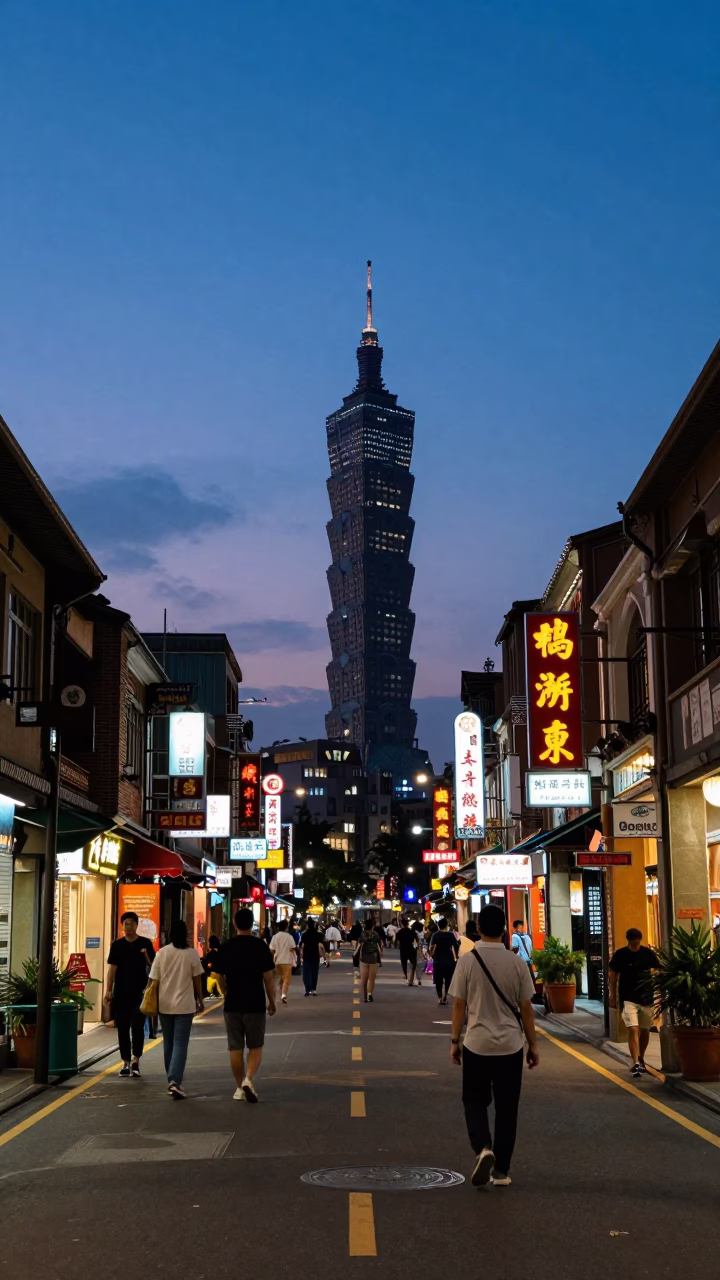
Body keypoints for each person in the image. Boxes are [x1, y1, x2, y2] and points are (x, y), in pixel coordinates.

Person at [450, 903, 539, 1188]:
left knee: (474, 1100)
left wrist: (455, 1041)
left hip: (476, 1044)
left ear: (478, 929)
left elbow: (459, 1006)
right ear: (505, 930)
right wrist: (533, 1045)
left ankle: (483, 1147)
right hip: (510, 1046)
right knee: (507, 1107)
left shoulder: (467, 961)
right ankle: (501, 1170)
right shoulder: (517, 963)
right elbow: (527, 1008)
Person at [214, 907, 276, 1102]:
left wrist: (225, 992)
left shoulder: (226, 946)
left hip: (232, 1004)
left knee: (235, 1047)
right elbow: (268, 977)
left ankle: (239, 1087)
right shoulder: (260, 946)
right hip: (255, 1003)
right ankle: (249, 1079)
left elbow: (218, 976)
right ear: (252, 923)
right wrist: (272, 1001)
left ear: (234, 924)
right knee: (255, 1045)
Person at [146, 920, 204, 1099]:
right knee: (180, 1044)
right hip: (185, 1006)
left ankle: (171, 1079)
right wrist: (200, 1000)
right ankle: (174, 1081)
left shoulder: (161, 953)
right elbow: (196, 980)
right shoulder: (191, 954)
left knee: (169, 1042)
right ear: (185, 934)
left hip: (165, 1005)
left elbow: (153, 980)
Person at [104, 911, 156, 1077]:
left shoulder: (145, 943)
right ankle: (125, 1061)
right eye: (126, 924)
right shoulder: (117, 945)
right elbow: (111, 969)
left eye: (132, 924)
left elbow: (154, 966)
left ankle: (136, 1060)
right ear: (122, 926)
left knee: (138, 1027)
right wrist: (108, 990)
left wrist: (147, 956)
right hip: (121, 993)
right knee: (123, 1028)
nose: (129, 927)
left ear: (136, 925)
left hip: (140, 992)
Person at [608, 928, 658, 1077]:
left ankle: (641, 1057)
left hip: (646, 998)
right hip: (628, 997)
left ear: (640, 940)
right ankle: (635, 1062)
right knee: (633, 1029)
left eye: (637, 941)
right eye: (633, 941)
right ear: (628, 940)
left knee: (645, 1029)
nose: (635, 944)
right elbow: (613, 975)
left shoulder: (648, 954)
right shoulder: (621, 955)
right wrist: (612, 995)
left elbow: (657, 970)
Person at [429, 917, 459, 1004]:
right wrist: (456, 957)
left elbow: (431, 947)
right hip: (449, 961)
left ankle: (440, 997)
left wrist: (431, 955)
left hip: (438, 961)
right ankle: (445, 996)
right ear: (446, 925)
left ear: (438, 925)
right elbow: (456, 946)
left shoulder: (435, 935)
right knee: (448, 980)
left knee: (438, 981)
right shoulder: (450, 935)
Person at [270, 919, 297, 1003]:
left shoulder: (275, 937)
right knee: (286, 979)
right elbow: (292, 948)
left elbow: (271, 949)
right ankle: (284, 995)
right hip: (287, 961)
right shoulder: (289, 936)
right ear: (286, 927)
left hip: (277, 961)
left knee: (279, 979)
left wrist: (275, 954)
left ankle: (279, 995)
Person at [356, 920, 383, 1001]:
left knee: (364, 979)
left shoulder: (362, 934)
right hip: (373, 957)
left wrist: (355, 954)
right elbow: (378, 946)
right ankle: (369, 994)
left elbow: (359, 946)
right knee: (371, 979)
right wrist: (380, 954)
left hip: (364, 957)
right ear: (372, 926)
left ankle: (365, 996)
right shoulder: (376, 934)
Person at [300, 919, 326, 996]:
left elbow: (301, 945)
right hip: (315, 955)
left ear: (307, 925)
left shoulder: (304, 934)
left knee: (306, 974)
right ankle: (313, 989)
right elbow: (321, 945)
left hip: (306, 955)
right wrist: (324, 957)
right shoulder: (318, 934)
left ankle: (307, 990)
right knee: (314, 973)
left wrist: (301, 954)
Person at [397, 917, 421, 986]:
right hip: (411, 949)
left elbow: (396, 940)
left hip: (403, 950)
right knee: (413, 964)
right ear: (407, 924)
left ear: (401, 924)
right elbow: (416, 940)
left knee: (404, 964)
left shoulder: (400, 931)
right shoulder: (412, 931)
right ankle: (411, 980)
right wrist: (417, 948)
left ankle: (407, 978)